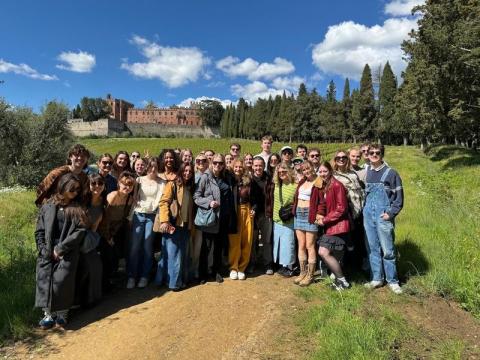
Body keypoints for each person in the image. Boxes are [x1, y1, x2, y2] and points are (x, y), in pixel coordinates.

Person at [35, 173, 87, 329]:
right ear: (63, 186)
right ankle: (48, 314)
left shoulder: (78, 208)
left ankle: (62, 313)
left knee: (62, 281)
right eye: (72, 188)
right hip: (47, 250)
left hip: (68, 250)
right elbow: (39, 231)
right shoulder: (48, 206)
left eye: (78, 189)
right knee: (45, 280)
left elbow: (80, 231)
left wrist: (61, 248)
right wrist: (43, 249)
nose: (75, 192)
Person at [363, 144, 404, 294]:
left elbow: (399, 198)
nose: (374, 154)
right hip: (368, 216)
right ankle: (377, 278)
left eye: (377, 152)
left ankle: (392, 281)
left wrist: (391, 213)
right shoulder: (367, 172)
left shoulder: (391, 173)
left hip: (383, 216)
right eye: (371, 152)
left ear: (382, 154)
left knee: (388, 250)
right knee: (372, 248)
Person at [194, 154, 234, 284]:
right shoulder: (206, 177)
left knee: (218, 247)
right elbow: (197, 197)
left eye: (221, 163)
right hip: (211, 218)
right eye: (215, 162)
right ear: (211, 162)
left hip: (223, 217)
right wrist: (209, 202)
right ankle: (203, 273)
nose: (218, 165)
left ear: (224, 165)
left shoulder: (227, 177)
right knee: (206, 248)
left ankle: (216, 271)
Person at [127, 158, 165, 289]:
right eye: (150, 167)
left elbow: (160, 202)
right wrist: (130, 217)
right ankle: (132, 276)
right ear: (147, 167)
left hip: (152, 216)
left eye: (155, 167)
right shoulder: (139, 180)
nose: (153, 169)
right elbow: (134, 200)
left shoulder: (162, 182)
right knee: (134, 247)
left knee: (148, 247)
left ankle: (145, 275)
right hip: (138, 214)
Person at [156, 163, 194, 291]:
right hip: (173, 224)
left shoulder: (189, 187)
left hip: (184, 225)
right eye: (185, 171)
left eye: (190, 171)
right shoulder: (172, 184)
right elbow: (163, 202)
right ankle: (174, 283)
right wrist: (165, 221)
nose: (187, 173)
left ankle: (165, 280)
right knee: (173, 255)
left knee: (178, 254)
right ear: (180, 171)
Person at [315, 161, 351, 291]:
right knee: (332, 255)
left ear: (330, 171)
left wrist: (325, 220)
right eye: (320, 171)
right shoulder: (327, 185)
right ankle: (339, 282)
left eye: (325, 171)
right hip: (332, 225)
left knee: (323, 252)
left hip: (338, 226)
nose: (323, 174)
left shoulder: (337, 185)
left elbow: (342, 209)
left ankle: (343, 281)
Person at [97, 171, 135, 291]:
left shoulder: (129, 199)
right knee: (106, 257)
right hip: (104, 231)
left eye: (130, 185)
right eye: (125, 184)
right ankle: (103, 285)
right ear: (119, 183)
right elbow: (104, 219)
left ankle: (109, 283)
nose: (127, 187)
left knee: (114, 258)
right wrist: (108, 237)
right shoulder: (113, 196)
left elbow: (123, 219)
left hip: (115, 232)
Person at [332, 150, 365, 271]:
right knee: (342, 242)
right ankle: (340, 269)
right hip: (341, 214)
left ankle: (354, 266)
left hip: (355, 212)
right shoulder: (331, 174)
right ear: (335, 160)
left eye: (344, 157)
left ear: (347, 159)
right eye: (338, 158)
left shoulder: (353, 174)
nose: (341, 159)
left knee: (355, 241)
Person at [75, 174, 105, 308]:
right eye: (93, 184)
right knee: (86, 266)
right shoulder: (82, 202)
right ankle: (81, 300)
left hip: (89, 239)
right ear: (89, 185)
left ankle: (93, 298)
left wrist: (91, 244)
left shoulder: (102, 203)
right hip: (76, 237)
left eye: (100, 183)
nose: (97, 186)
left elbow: (95, 228)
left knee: (96, 265)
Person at [292, 160, 320, 286]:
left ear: (312, 168)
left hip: (310, 214)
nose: (306, 171)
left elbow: (321, 200)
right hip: (299, 213)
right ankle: (302, 272)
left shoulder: (318, 181)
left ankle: (310, 275)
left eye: (308, 169)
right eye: (304, 170)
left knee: (310, 245)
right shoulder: (303, 181)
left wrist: (318, 214)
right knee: (301, 244)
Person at [228, 159, 255, 280]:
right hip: (234, 211)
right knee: (234, 241)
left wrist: (254, 208)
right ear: (232, 167)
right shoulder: (229, 180)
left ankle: (242, 267)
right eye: (236, 167)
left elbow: (256, 198)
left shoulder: (248, 182)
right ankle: (233, 267)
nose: (238, 169)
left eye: (240, 167)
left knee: (247, 240)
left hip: (247, 210)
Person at [272, 162, 297, 277]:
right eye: (280, 172)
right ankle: (279, 264)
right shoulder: (276, 184)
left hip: (289, 220)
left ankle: (288, 266)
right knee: (278, 243)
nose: (282, 174)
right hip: (277, 218)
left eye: (284, 171)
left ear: (289, 171)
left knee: (288, 243)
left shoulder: (295, 185)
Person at [250, 156, 274, 274]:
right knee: (253, 240)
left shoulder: (269, 178)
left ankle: (267, 263)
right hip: (252, 215)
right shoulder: (248, 179)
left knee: (266, 240)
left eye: (260, 165)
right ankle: (252, 262)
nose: (258, 168)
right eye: (256, 165)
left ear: (264, 166)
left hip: (266, 213)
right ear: (252, 166)